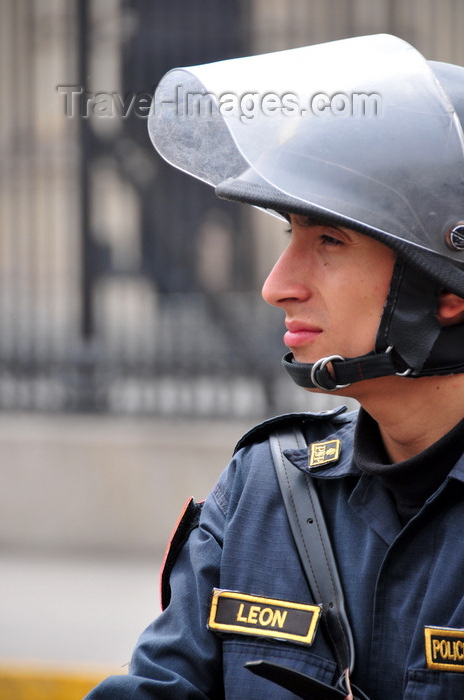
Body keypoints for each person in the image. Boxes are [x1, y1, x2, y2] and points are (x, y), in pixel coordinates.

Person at [85, 34, 464, 699]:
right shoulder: (266, 484)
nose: (276, 285)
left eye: (328, 241)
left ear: (445, 290)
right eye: (290, 234)